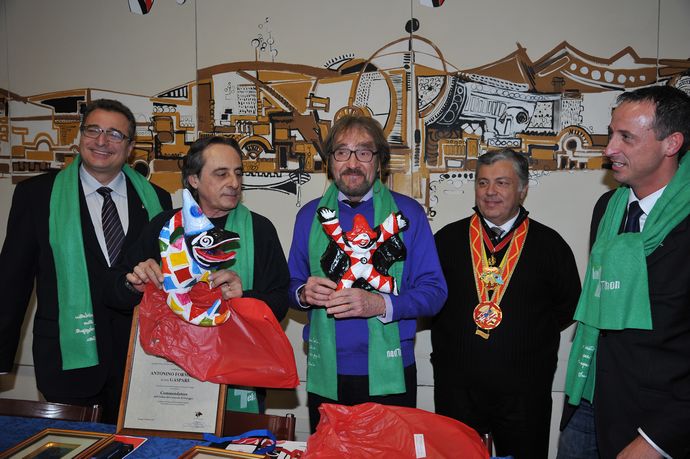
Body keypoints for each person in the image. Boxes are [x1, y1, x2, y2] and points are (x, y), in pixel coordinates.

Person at [0, 99, 172, 423]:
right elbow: (11, 283)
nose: (102, 141)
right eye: (93, 130)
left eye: (115, 134)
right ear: (80, 137)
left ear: (130, 147)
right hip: (67, 362)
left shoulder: (158, 200)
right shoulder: (37, 195)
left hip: (138, 363)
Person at [106, 135, 290, 413]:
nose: (234, 182)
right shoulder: (164, 227)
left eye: (238, 173)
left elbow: (280, 303)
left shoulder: (259, 229)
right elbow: (113, 291)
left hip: (236, 376)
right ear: (193, 180)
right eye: (221, 174)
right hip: (170, 376)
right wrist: (135, 283)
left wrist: (243, 297)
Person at [287, 115, 448, 432]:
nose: (352, 163)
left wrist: (381, 304)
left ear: (379, 161)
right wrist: (303, 294)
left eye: (363, 152)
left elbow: (435, 293)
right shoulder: (309, 216)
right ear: (330, 162)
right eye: (342, 152)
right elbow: (289, 286)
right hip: (326, 372)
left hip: (392, 372)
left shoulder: (408, 214)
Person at [558, 85, 690, 459]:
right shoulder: (608, 208)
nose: (609, 149)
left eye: (626, 137)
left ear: (671, 143)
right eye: (611, 134)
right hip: (588, 396)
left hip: (657, 420)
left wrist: (658, 439)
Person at [432, 148, 581, 458]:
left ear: (522, 189)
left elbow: (568, 305)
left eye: (502, 183)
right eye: (483, 182)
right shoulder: (446, 241)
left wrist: (524, 336)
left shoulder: (549, 245)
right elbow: (428, 299)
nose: (490, 192)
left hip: (524, 393)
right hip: (457, 389)